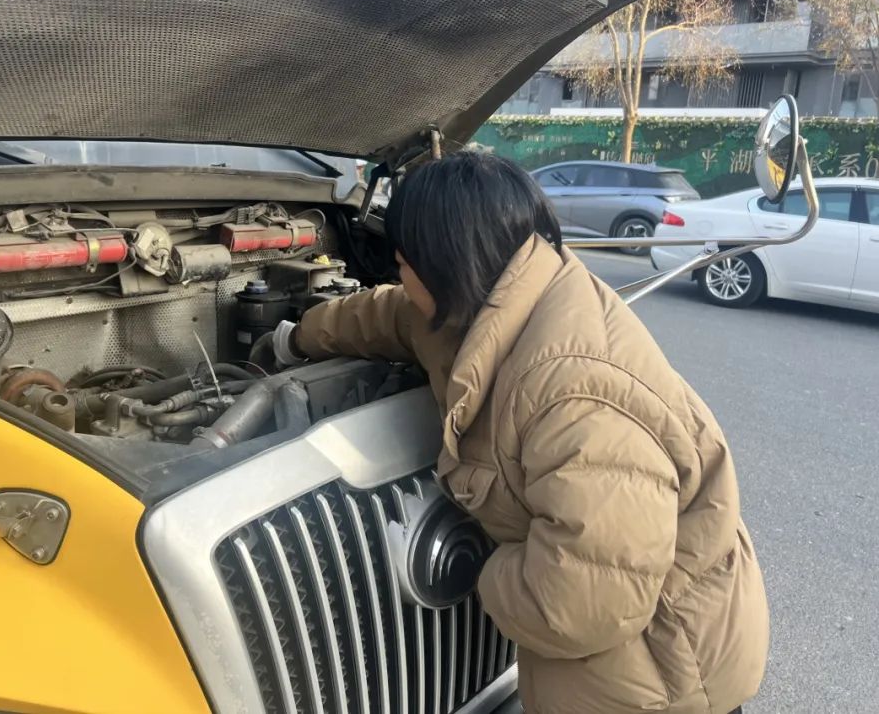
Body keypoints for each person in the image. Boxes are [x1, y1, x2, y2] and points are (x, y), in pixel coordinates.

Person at [271, 151, 767, 714]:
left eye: (404, 263)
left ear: (444, 267)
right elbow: (392, 315)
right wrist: (295, 337)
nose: (399, 276)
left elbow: (585, 601)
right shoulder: (500, 293)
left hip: (657, 675)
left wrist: (474, 564)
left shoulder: (577, 396)